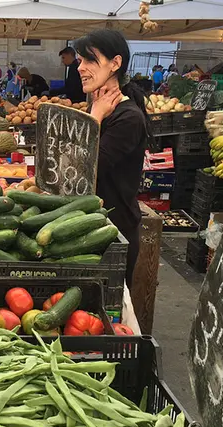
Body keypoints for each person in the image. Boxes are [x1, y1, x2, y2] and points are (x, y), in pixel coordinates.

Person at [75, 29, 150, 287]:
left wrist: (94, 117)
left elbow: (85, 168)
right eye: (79, 61)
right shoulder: (101, 106)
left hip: (113, 234)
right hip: (89, 225)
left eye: (89, 60)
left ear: (115, 63)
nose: (80, 68)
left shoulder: (128, 117)